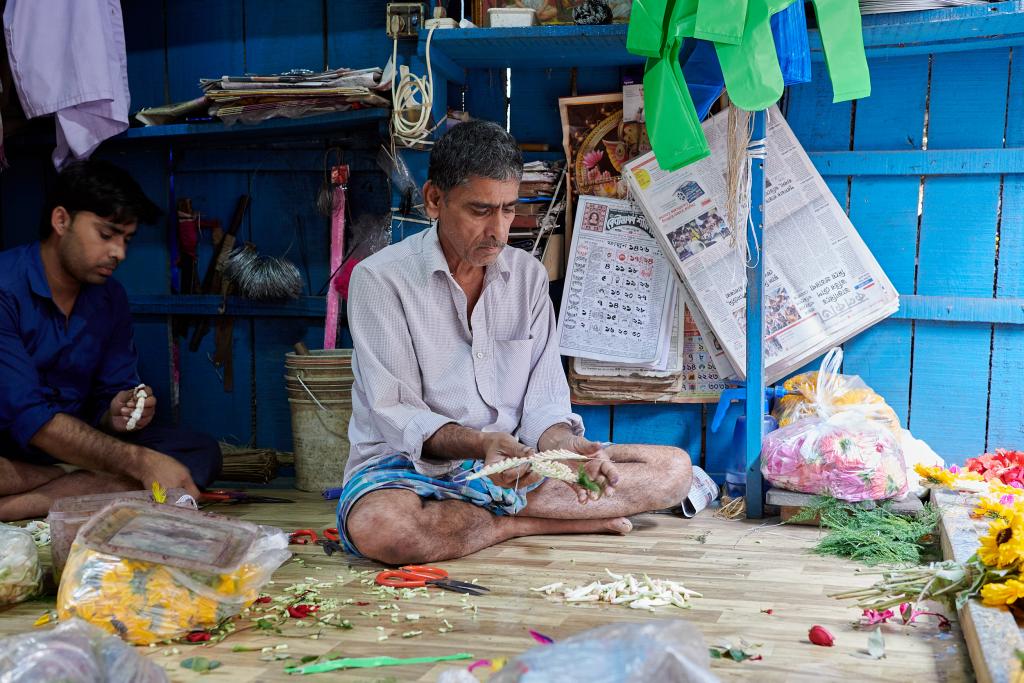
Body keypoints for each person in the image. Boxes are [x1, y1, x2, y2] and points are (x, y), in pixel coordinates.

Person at [338, 120, 694, 564]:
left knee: (675, 471)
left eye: (508, 209)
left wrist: (566, 447)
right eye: (480, 210)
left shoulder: (526, 277)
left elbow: (543, 402)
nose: (499, 231)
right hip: (409, 471)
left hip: (515, 467)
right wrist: (480, 445)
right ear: (434, 200)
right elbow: (399, 415)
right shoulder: (380, 280)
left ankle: (488, 520)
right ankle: (519, 524)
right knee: (385, 529)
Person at [0, 160, 221, 521]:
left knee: (199, 452)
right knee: (150, 470)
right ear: (61, 221)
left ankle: (26, 502)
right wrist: (137, 462)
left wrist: (118, 410)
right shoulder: (5, 288)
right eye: (107, 234)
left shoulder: (109, 297)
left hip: (73, 450)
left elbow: (109, 398)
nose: (119, 252)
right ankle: (81, 483)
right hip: (16, 445)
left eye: (126, 239)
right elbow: (32, 420)